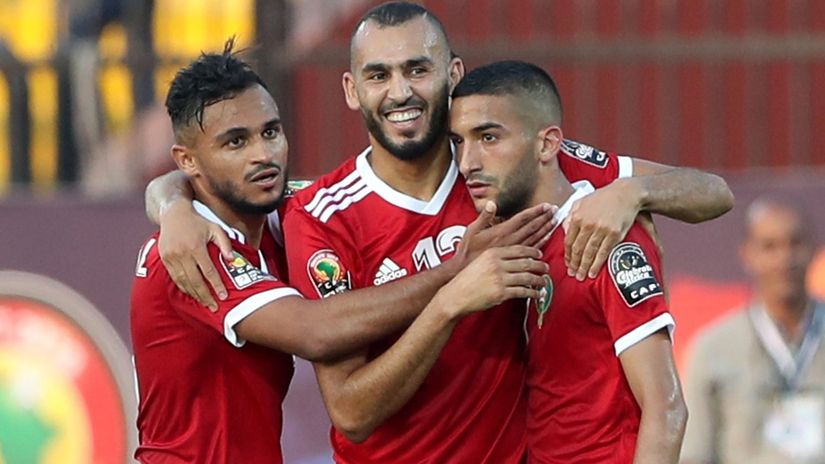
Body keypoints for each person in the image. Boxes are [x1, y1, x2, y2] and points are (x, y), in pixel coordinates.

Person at [144, 3, 732, 461]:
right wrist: (171, 202)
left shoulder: (500, 165)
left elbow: (712, 192)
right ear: (352, 90)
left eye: (417, 69)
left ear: (452, 76)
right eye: (378, 74)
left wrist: (633, 191)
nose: (400, 92)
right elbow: (349, 410)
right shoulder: (319, 212)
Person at [130, 40, 550, 463]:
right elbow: (315, 331)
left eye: (270, 132)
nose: (263, 155)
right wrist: (456, 274)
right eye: (236, 142)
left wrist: (171, 201)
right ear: (188, 160)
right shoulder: (193, 255)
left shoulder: (276, 221)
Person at [450, 59, 689, 464]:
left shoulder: (603, 235)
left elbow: (666, 408)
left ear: (547, 144)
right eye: (458, 141)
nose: (467, 162)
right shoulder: (517, 239)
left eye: (488, 137)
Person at [682, 197, 825, 464]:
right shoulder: (713, 348)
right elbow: (694, 453)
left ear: (814, 249)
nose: (785, 258)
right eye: (770, 246)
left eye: (796, 243)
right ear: (747, 254)